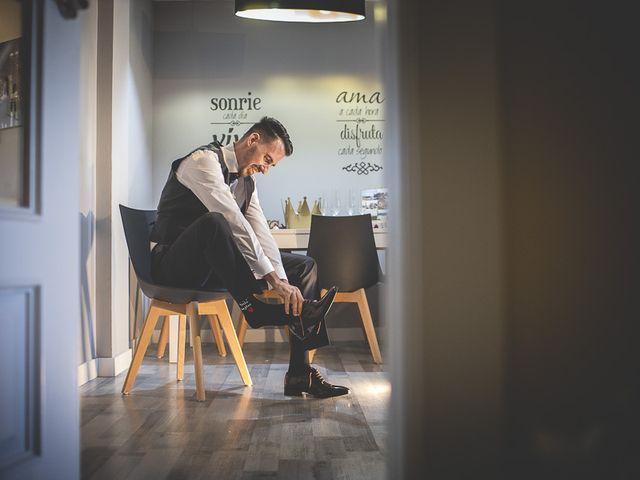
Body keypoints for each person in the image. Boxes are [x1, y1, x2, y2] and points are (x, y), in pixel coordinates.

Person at [150, 116, 349, 398]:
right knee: (215, 222)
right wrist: (273, 282)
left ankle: (299, 374)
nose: (266, 170)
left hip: (215, 266)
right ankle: (253, 308)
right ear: (252, 139)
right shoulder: (203, 161)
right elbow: (235, 223)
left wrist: (282, 281)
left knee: (304, 267)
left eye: (272, 165)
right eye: (267, 159)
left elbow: (260, 232)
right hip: (172, 266)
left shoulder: (248, 183)